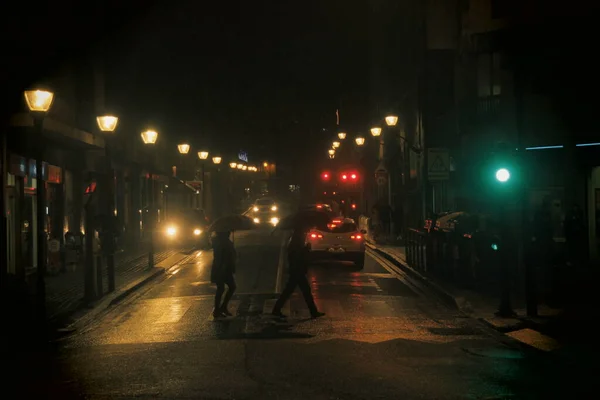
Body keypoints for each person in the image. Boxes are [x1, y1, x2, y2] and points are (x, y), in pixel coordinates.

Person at [271, 228, 325, 319]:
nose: (305, 235)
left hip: (296, 270)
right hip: (297, 271)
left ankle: (277, 309)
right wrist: (306, 249)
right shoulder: (296, 245)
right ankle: (313, 312)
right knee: (302, 291)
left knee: (292, 291)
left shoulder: (294, 243)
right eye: (303, 233)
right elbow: (299, 257)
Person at [211, 230, 237, 318]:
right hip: (222, 269)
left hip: (225, 268)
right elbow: (220, 256)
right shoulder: (220, 242)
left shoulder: (224, 241)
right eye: (227, 231)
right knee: (223, 288)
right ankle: (218, 309)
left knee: (226, 288)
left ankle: (221, 308)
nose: (229, 232)